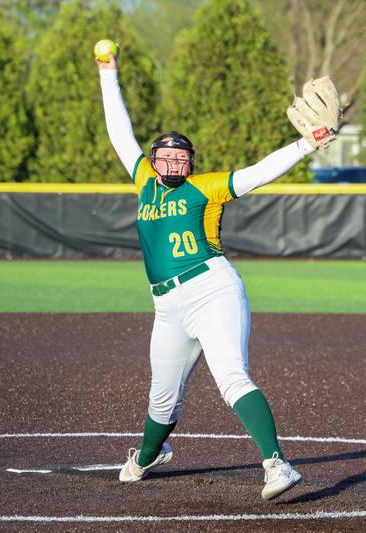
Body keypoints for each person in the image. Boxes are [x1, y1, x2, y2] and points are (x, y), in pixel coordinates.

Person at [95, 50, 328, 501]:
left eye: (181, 157)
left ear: (190, 163)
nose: (173, 162)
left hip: (211, 288)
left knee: (232, 378)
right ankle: (146, 456)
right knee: (162, 400)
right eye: (165, 155)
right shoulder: (143, 179)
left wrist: (307, 144)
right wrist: (109, 73)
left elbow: (258, 173)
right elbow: (120, 132)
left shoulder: (207, 187)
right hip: (165, 305)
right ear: (154, 159)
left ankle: (277, 465)